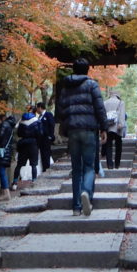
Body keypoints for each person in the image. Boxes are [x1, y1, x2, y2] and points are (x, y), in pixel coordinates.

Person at [56, 58, 107, 216]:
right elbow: (99, 107)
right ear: (87, 70)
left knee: (76, 168)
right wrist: (104, 127)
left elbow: (61, 110)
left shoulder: (66, 88)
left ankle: (76, 207)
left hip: (72, 130)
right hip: (88, 129)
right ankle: (86, 193)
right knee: (89, 167)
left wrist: (63, 129)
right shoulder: (92, 85)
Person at [0, 112, 17, 197]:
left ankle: (6, 193)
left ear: (0, 120)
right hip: (6, 151)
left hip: (1, 152)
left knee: (1, 171)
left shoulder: (3, 125)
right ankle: (4, 192)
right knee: (2, 171)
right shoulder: (10, 126)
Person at [12, 107, 41, 188]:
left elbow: (18, 133)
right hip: (33, 144)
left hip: (23, 144)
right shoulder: (37, 121)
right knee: (33, 165)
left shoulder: (22, 120)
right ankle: (34, 181)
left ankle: (14, 182)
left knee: (19, 165)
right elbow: (40, 133)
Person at [102, 90, 126, 168]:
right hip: (117, 126)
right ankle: (117, 164)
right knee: (118, 145)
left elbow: (103, 115)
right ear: (118, 95)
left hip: (108, 126)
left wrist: (103, 127)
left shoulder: (105, 103)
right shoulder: (120, 103)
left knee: (108, 145)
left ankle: (109, 164)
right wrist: (121, 124)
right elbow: (122, 115)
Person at [35, 101, 55, 171]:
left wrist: (50, 136)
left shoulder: (48, 114)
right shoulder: (40, 117)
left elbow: (52, 125)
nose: (36, 110)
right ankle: (44, 168)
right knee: (43, 154)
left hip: (46, 138)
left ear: (40, 108)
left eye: (37, 108)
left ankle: (47, 168)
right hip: (41, 139)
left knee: (46, 154)